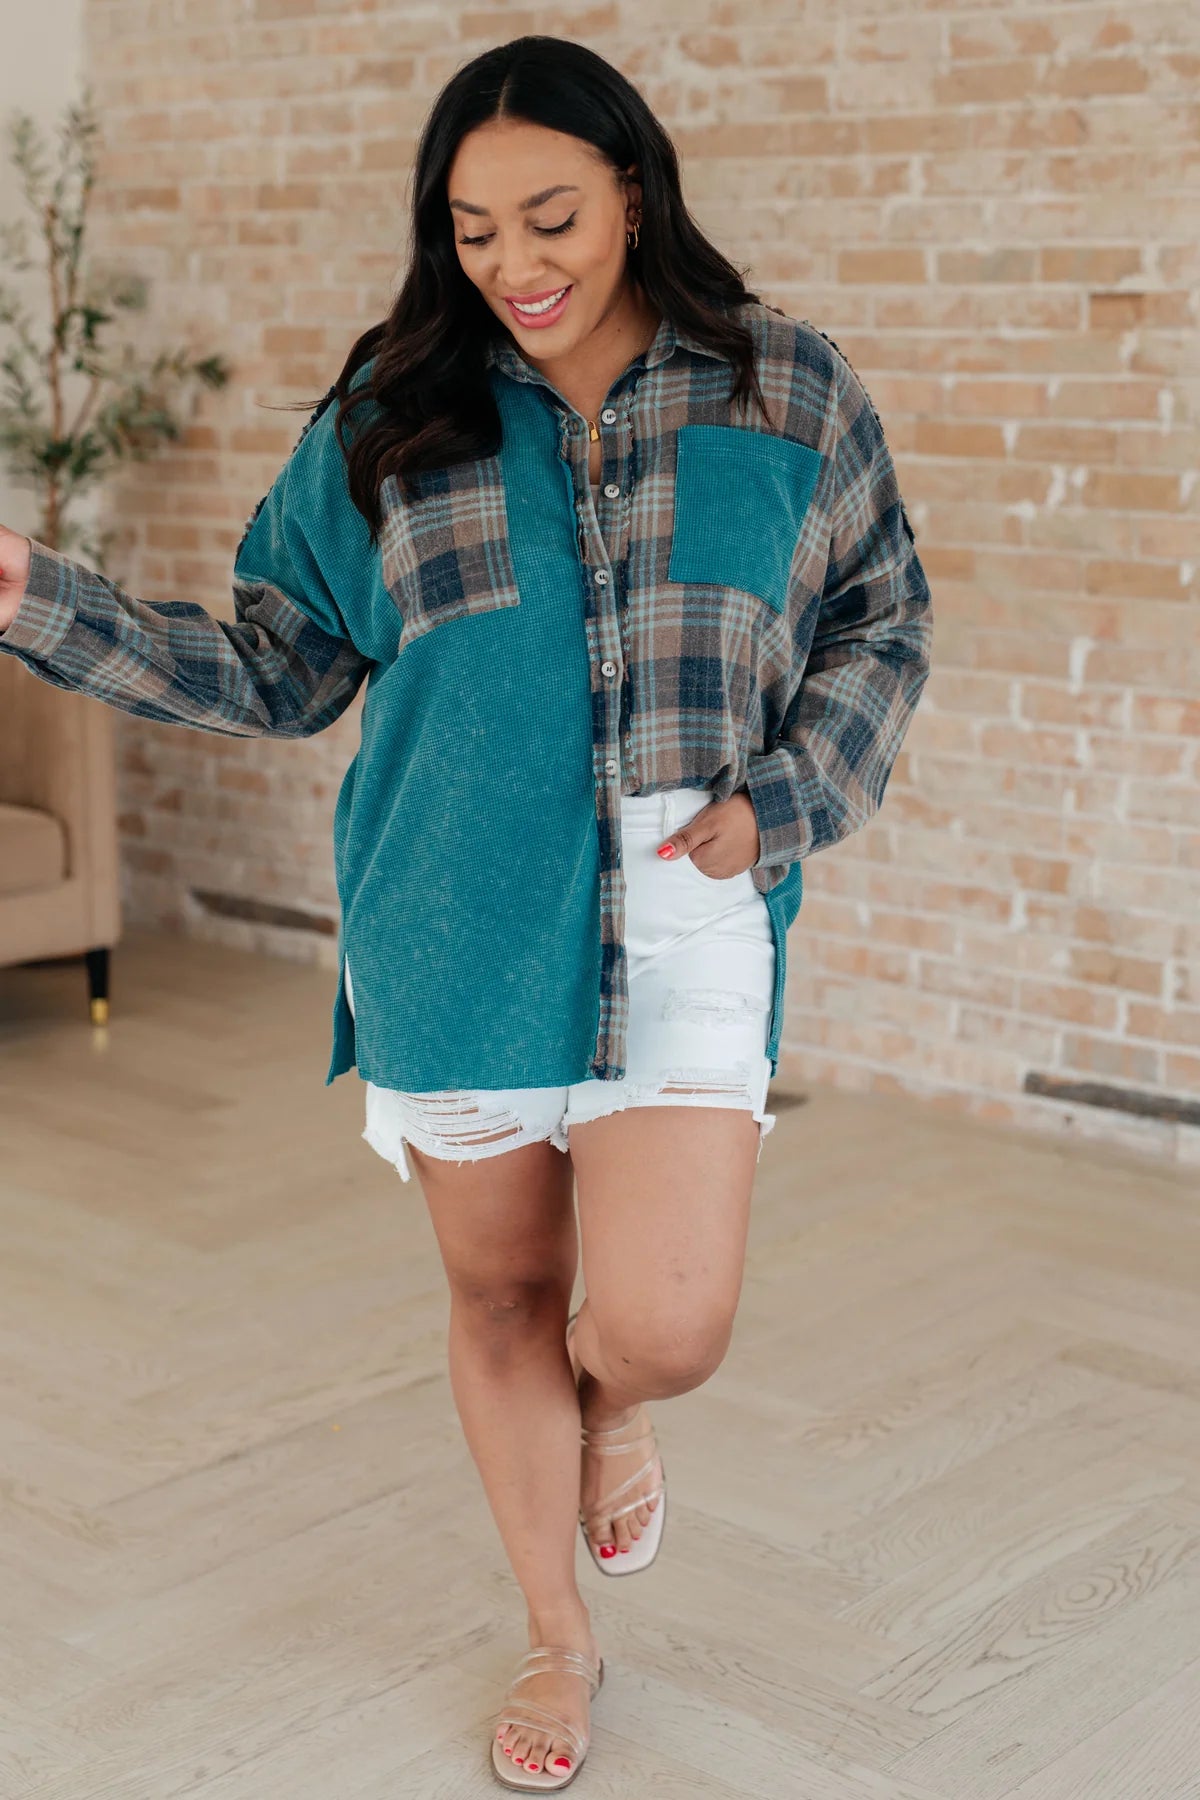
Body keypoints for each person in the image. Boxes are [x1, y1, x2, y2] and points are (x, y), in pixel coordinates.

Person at [0, 34, 932, 1792]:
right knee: (504, 1297)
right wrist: (41, 600)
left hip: (686, 899)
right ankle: (557, 1637)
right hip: (450, 914)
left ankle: (625, 1410)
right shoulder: (392, 419)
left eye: (552, 215)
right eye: (475, 227)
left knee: (660, 1322)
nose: (516, 263)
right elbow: (274, 666)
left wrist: (790, 799)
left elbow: (885, 619)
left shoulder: (788, 391)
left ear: (635, 191)